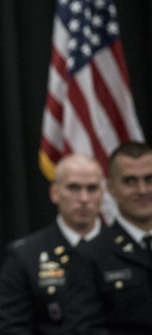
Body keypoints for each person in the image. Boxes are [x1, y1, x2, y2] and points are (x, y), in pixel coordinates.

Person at [0, 153, 104, 334]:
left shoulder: (124, 251)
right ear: (55, 193)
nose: (84, 198)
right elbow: (11, 327)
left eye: (92, 188)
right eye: (74, 188)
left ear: (103, 194)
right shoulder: (25, 255)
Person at [66, 141, 152, 334]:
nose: (143, 190)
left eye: (149, 179)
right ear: (110, 188)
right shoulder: (89, 256)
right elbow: (84, 329)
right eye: (130, 181)